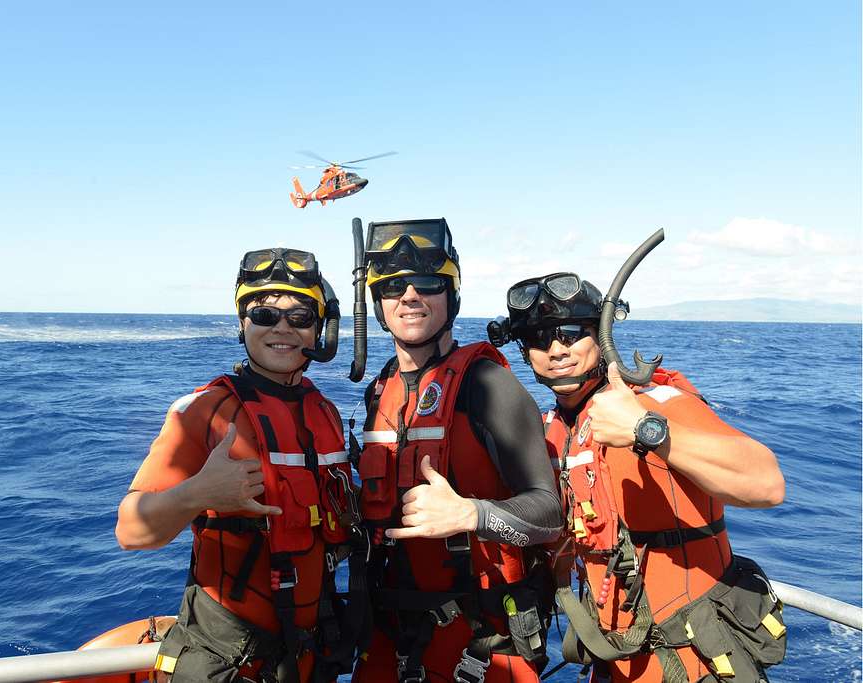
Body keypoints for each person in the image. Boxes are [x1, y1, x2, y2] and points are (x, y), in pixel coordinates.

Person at [488, 272, 787, 683]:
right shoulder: (554, 432)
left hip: (697, 660)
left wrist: (646, 428)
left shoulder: (659, 404)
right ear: (525, 353)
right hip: (616, 657)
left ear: (601, 334)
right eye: (539, 339)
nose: (556, 349)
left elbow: (767, 484)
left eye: (571, 333)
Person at [115, 248, 368, 683]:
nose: (282, 328)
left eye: (301, 315)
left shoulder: (324, 413)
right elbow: (131, 532)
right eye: (264, 314)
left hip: (307, 660)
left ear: (320, 329)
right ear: (242, 324)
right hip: (228, 661)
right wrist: (198, 493)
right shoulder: (204, 411)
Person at [350, 218, 563, 683]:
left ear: (453, 296)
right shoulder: (380, 390)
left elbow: (549, 513)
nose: (409, 297)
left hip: (477, 644)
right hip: (393, 635)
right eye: (392, 287)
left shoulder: (487, 384)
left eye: (428, 284)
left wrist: (472, 514)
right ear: (377, 301)